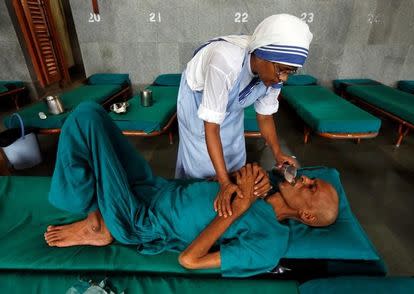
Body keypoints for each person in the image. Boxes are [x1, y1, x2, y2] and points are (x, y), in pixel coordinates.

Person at [44, 103, 338, 277]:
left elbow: (190, 260)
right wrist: (239, 178)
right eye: (311, 179)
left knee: (83, 118)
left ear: (307, 217)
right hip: (154, 187)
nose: (304, 178)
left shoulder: (270, 245)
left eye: (311, 188)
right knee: (94, 111)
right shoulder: (266, 185)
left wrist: (242, 205)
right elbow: (213, 190)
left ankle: (96, 223)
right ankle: (96, 213)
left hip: (140, 218)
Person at [176, 14, 314, 217]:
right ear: (262, 55)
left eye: (289, 72)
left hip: (231, 104)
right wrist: (223, 183)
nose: (282, 78)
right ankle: (196, 208)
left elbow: (265, 117)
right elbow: (211, 127)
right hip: (198, 101)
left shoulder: (274, 72)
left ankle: (229, 197)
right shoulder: (225, 61)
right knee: (203, 163)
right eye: (281, 71)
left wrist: (277, 153)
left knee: (233, 149)